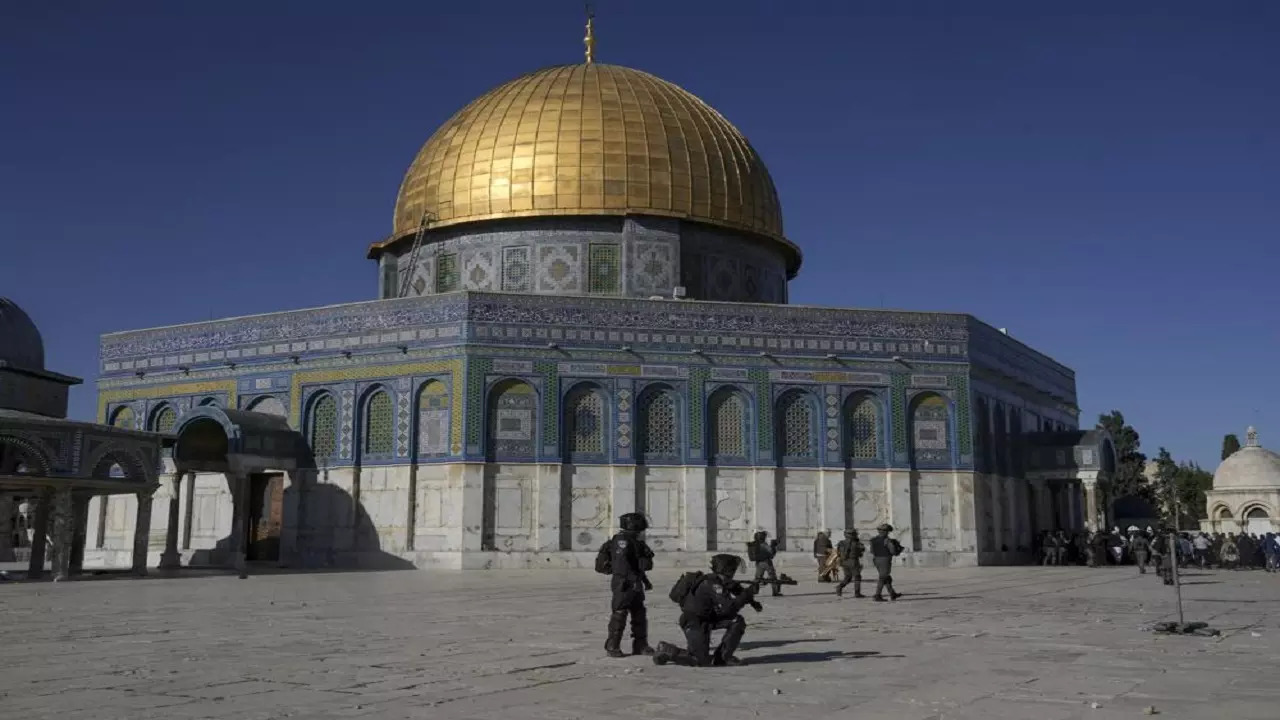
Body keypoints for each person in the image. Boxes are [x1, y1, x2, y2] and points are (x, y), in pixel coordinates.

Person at [653, 554, 759, 667]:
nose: (733, 573)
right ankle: (666, 650)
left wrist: (752, 601)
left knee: (737, 621)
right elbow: (729, 609)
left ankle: (723, 657)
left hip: (708, 618)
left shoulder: (716, 580)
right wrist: (747, 594)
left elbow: (734, 588)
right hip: (694, 622)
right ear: (726, 570)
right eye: (732, 569)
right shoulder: (712, 584)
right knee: (699, 661)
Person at [604, 512, 655, 658]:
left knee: (639, 613)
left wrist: (644, 581)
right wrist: (633, 581)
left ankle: (640, 645)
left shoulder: (633, 541)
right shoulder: (622, 541)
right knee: (620, 613)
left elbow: (636, 565)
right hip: (624, 583)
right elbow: (622, 566)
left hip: (634, 582)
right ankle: (612, 646)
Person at [869, 523, 903, 601]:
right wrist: (898, 549)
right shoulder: (887, 541)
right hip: (885, 559)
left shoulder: (873, 540)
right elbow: (893, 551)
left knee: (886, 577)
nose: (888, 533)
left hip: (876, 559)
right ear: (885, 532)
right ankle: (877, 595)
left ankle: (892, 593)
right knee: (883, 577)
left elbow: (872, 551)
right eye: (887, 531)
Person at [747, 530, 782, 596]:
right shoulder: (764, 544)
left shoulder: (755, 545)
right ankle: (775, 592)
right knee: (772, 577)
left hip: (758, 563)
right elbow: (771, 554)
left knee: (757, 578)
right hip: (767, 563)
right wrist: (774, 545)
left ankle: (754, 591)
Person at [834, 529, 865, 598]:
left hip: (844, 562)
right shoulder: (856, 544)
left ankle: (839, 587)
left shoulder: (841, 543)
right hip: (853, 562)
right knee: (857, 577)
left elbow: (838, 552)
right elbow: (861, 552)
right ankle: (857, 593)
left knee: (848, 577)